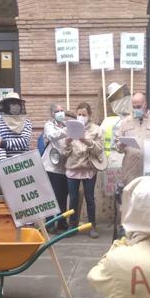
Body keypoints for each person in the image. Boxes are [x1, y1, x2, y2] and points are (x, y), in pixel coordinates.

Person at [62, 102, 103, 239]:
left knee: (90, 198)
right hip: (73, 168)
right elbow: (64, 153)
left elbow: (99, 150)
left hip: (89, 168)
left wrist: (86, 140)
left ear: (89, 115)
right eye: (79, 114)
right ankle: (72, 226)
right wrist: (67, 143)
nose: (81, 117)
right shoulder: (70, 128)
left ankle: (92, 226)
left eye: (84, 115)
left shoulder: (96, 129)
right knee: (73, 198)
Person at [114, 93, 150, 185]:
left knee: (148, 196)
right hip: (130, 169)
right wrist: (120, 145)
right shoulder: (125, 122)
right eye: (134, 107)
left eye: (139, 106)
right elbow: (117, 145)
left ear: (145, 104)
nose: (136, 109)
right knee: (130, 196)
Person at [42, 103, 69, 233]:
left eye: (62, 110)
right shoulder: (49, 125)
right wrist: (67, 130)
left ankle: (61, 222)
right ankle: (49, 223)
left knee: (63, 196)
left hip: (64, 166)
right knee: (51, 196)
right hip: (51, 167)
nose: (61, 113)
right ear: (52, 114)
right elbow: (53, 136)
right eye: (58, 111)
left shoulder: (66, 125)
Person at [0, 92, 32, 161]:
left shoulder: (26, 122)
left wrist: (3, 143)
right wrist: (4, 163)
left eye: (18, 104)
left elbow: (24, 142)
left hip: (24, 163)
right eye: (13, 103)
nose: (16, 106)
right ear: (6, 105)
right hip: (5, 163)